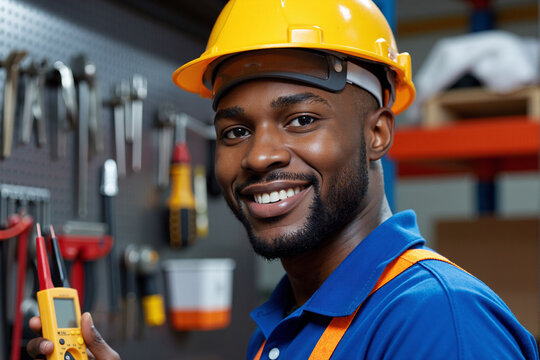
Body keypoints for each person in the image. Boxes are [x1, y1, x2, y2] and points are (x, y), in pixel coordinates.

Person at [28, 0, 539, 359]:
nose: (258, 156)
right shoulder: (289, 322)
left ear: (378, 132)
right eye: (235, 130)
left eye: (301, 120)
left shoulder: (436, 323)